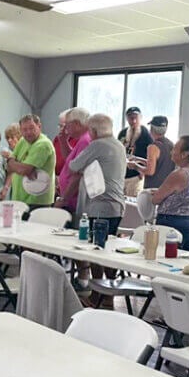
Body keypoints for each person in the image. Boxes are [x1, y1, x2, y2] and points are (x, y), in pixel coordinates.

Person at [68, 113, 127, 304]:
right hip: (116, 205)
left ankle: (98, 295)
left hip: (101, 206)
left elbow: (74, 165)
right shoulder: (118, 144)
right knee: (107, 250)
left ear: (93, 130)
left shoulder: (98, 145)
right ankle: (107, 294)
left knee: (96, 251)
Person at [150, 135, 189, 252]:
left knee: (166, 258)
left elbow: (156, 199)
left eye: (175, 148)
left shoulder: (179, 174)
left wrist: (158, 193)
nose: (172, 151)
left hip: (173, 223)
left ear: (185, 154)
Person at [4, 114, 56, 209]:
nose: (28, 132)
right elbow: (9, 167)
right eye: (24, 129)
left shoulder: (43, 144)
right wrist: (13, 164)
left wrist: (13, 163)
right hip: (19, 198)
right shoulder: (23, 141)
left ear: (39, 126)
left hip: (37, 200)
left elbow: (25, 170)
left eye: (32, 128)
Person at [55, 107, 91, 218]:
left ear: (76, 124)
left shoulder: (85, 140)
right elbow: (71, 161)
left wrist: (63, 199)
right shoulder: (83, 139)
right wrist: (63, 141)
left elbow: (77, 175)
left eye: (67, 125)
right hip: (72, 200)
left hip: (75, 200)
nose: (65, 129)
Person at [118, 106, 152, 199]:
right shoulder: (123, 133)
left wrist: (142, 173)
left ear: (140, 118)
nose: (133, 121)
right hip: (123, 175)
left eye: (135, 118)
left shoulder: (146, 134)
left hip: (136, 176)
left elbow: (150, 156)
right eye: (130, 118)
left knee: (132, 202)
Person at [139, 115, 175, 190]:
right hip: (167, 188)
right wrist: (137, 159)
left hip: (153, 190)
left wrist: (135, 166)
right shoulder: (171, 144)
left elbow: (150, 171)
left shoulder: (153, 147)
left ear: (152, 129)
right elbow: (159, 164)